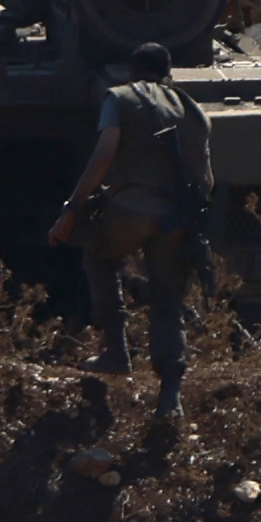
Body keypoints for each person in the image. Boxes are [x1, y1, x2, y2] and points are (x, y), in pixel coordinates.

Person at [59, 71, 208, 421]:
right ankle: (170, 397)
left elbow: (104, 154)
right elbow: (206, 175)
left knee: (99, 257)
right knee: (168, 301)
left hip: (130, 209)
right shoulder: (191, 108)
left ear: (134, 71)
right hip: (175, 217)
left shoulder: (120, 97)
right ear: (169, 75)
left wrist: (74, 206)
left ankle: (116, 350)